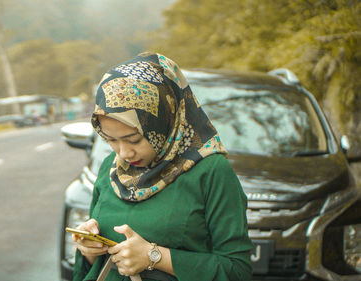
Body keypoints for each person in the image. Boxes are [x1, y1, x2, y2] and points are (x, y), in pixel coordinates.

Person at [72, 52, 253, 281]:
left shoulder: (211, 172)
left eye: (134, 139)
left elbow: (237, 271)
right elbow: (94, 269)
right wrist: (90, 249)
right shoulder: (111, 168)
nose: (124, 153)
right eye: (111, 140)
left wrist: (153, 256)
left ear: (164, 120)